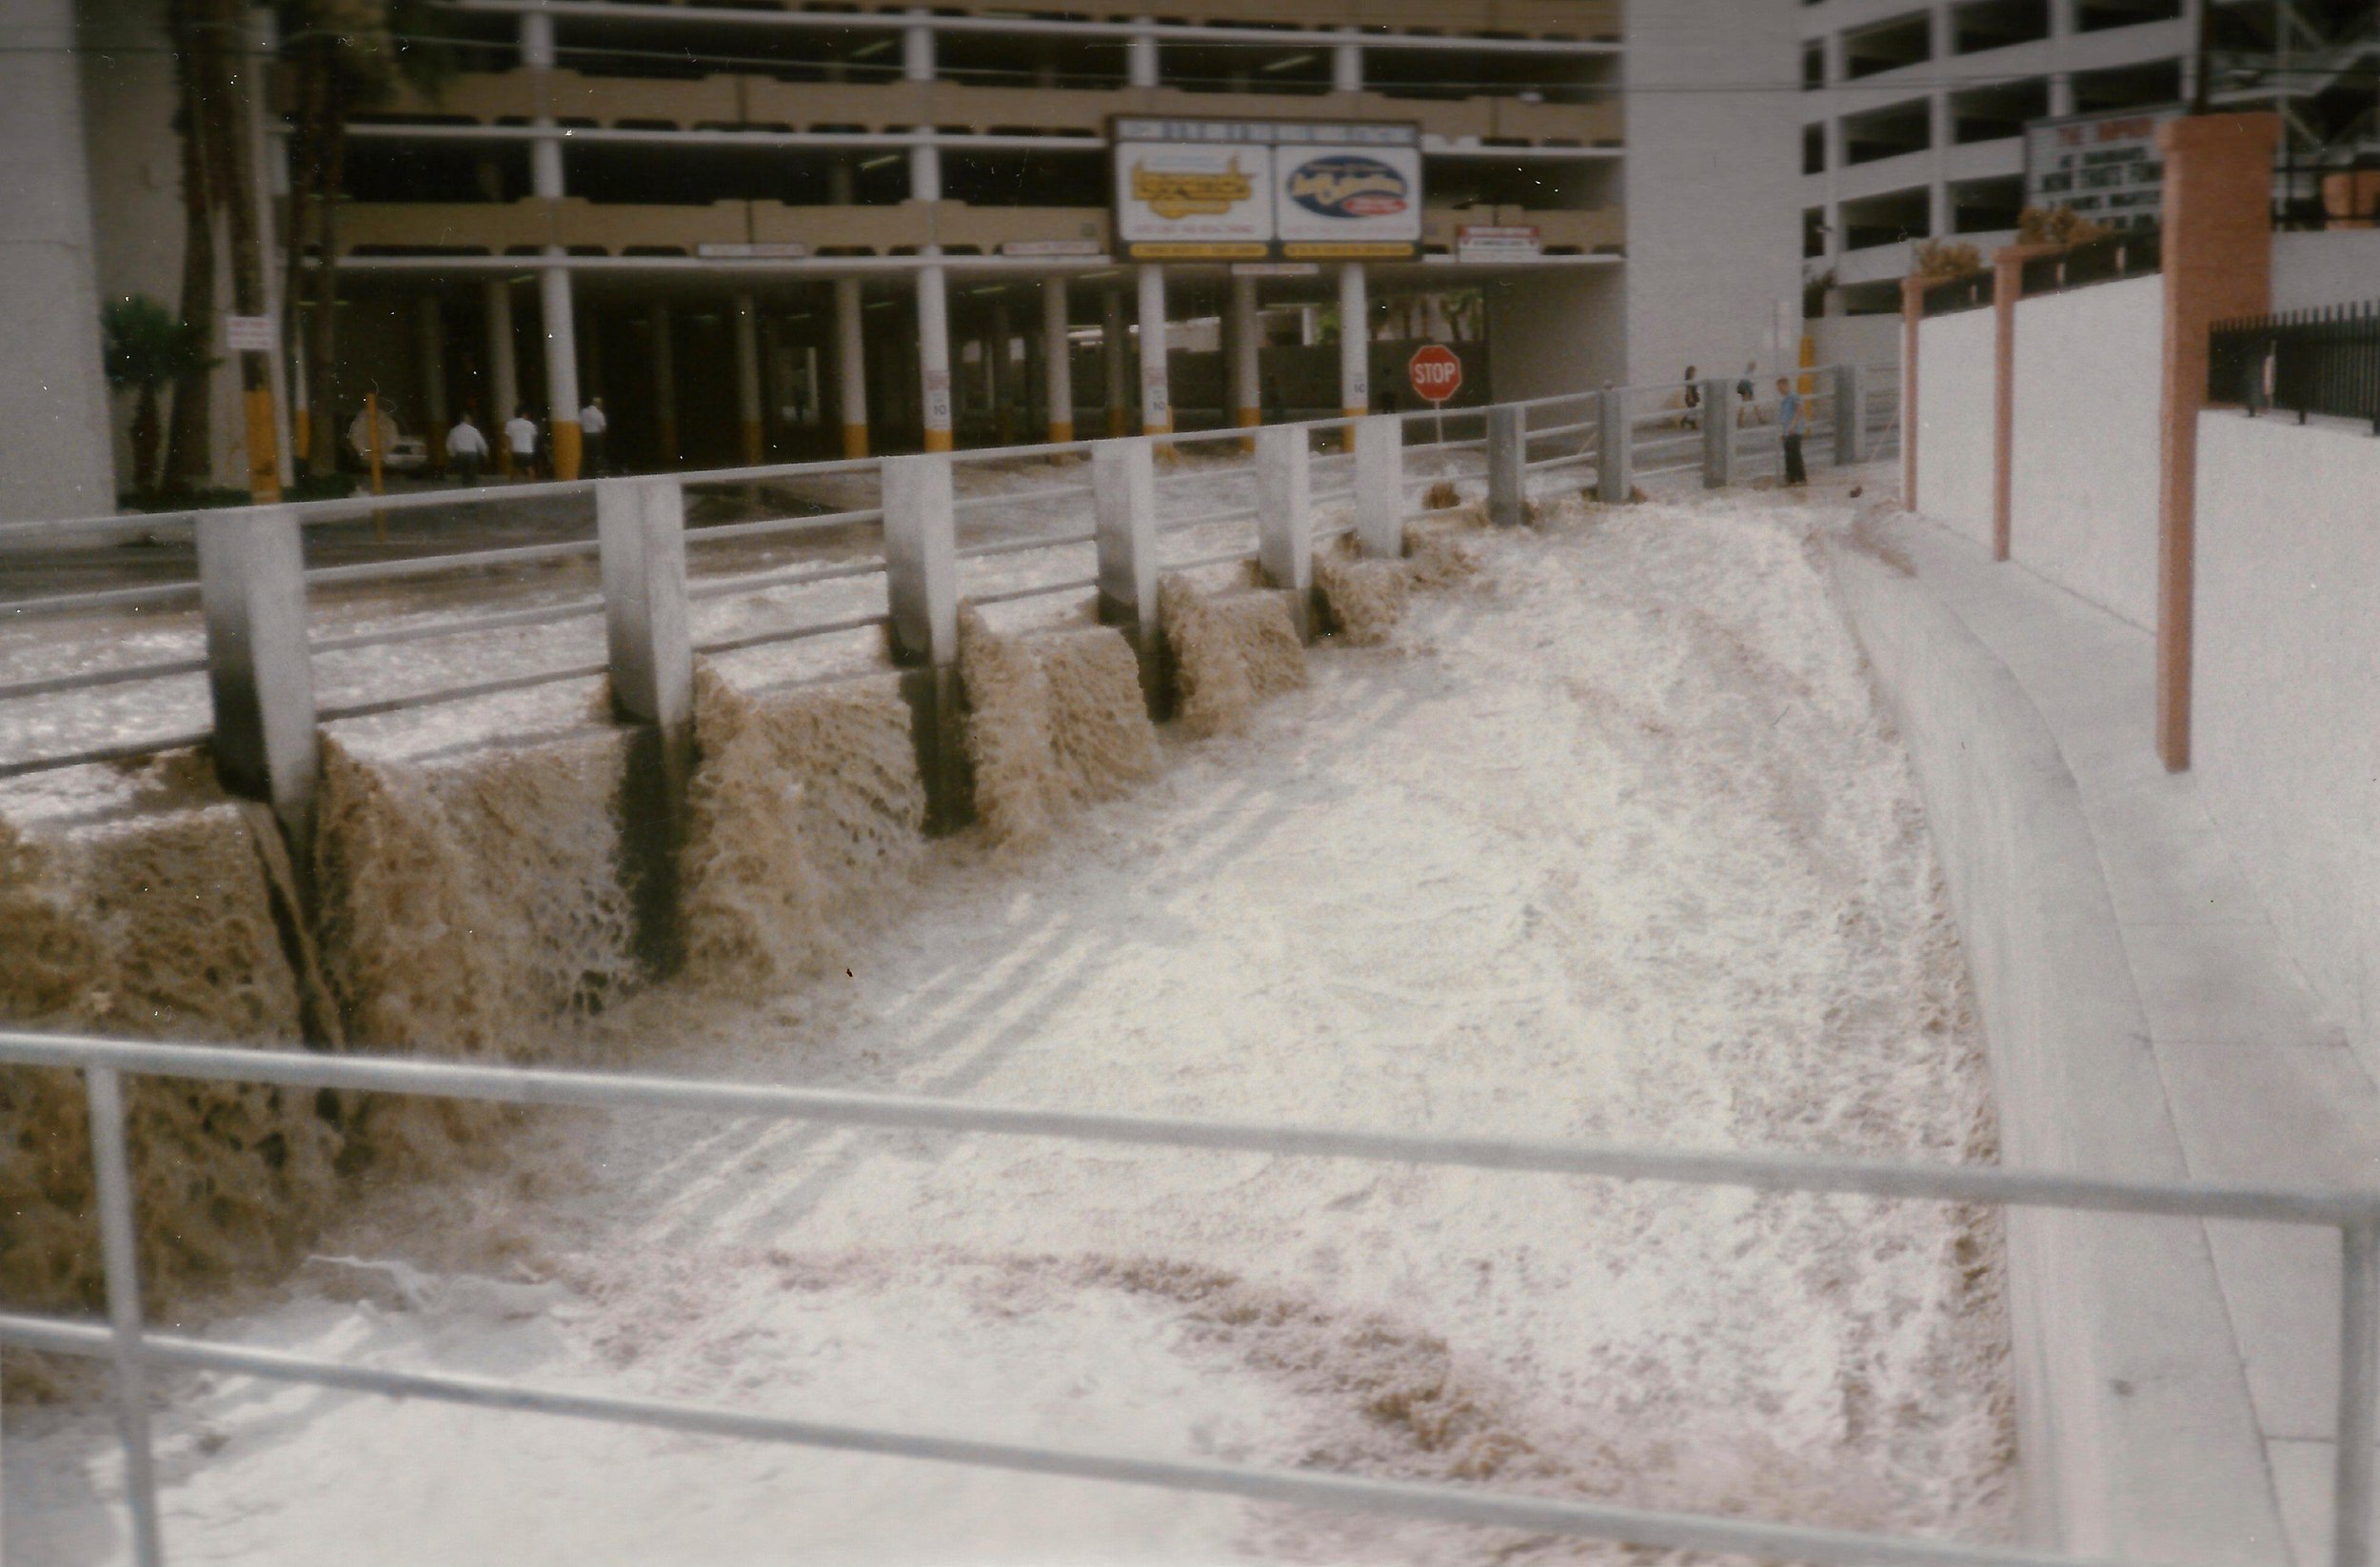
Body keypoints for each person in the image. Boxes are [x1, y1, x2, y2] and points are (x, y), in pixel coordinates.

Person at [1776, 376, 1807, 487]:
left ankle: (1801, 478)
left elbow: (1799, 409)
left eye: (1780, 388)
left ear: (1785, 385)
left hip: (1795, 431)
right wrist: (1783, 433)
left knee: (1795, 455)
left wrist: (1793, 425)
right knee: (1789, 455)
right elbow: (1785, 418)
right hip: (1788, 432)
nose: (1779, 391)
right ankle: (1791, 479)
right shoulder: (1784, 401)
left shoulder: (1793, 396)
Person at [446, 409, 489, 486]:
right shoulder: (473, 430)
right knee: (472, 474)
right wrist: (484, 453)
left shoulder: (454, 430)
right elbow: (481, 443)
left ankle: (465, 487)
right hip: (472, 454)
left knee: (464, 474)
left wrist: (452, 455)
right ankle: (472, 487)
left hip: (460, 454)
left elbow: (449, 444)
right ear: (467, 419)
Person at [504, 404, 540, 481]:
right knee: (529, 468)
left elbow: (508, 438)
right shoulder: (530, 424)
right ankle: (533, 484)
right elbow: (533, 437)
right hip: (527, 450)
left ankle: (510, 483)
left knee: (514, 467)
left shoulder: (510, 424)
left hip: (516, 450)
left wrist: (507, 449)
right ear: (524, 414)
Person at [579, 395, 608, 477]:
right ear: (598, 404)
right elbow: (603, 427)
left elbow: (579, 423)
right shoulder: (599, 414)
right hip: (595, 435)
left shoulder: (584, 411)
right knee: (596, 454)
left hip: (585, 435)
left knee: (585, 455)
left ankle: (583, 472)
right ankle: (596, 472)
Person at [1680, 366, 1700, 430]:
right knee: (1692, 411)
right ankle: (1692, 424)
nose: (1694, 373)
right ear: (1690, 372)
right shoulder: (1688, 381)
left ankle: (1685, 421)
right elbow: (1688, 390)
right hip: (1690, 397)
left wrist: (1696, 394)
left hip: (1694, 396)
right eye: (1693, 371)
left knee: (1692, 411)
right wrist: (1690, 398)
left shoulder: (1692, 380)